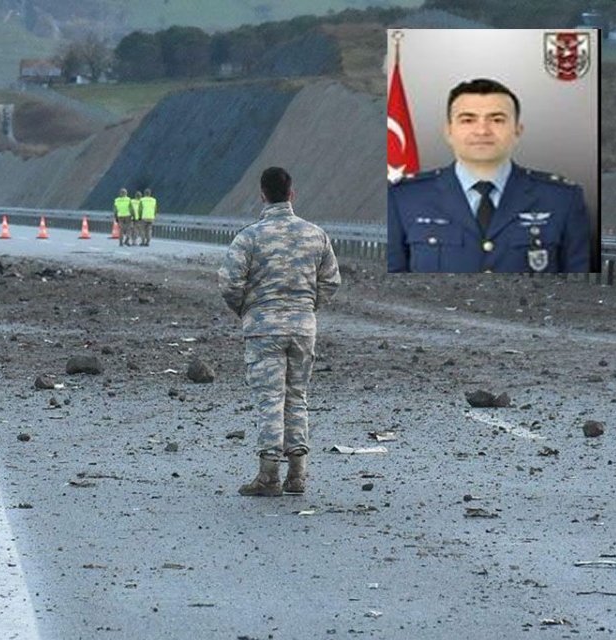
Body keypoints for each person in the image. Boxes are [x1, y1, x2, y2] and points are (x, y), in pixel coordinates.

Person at [220, 167, 341, 497]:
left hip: (264, 329)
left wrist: (248, 310)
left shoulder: (249, 237)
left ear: (262, 195)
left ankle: (269, 475)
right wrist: (307, 308)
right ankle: (297, 474)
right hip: (303, 328)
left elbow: (229, 282)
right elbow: (331, 280)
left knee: (269, 399)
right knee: (296, 396)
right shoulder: (316, 235)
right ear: (292, 194)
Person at [387, 78, 590, 273]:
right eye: (468, 120)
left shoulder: (562, 199)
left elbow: (578, 280)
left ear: (517, 131)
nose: (482, 130)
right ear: (448, 131)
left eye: (497, 120)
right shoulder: (404, 198)